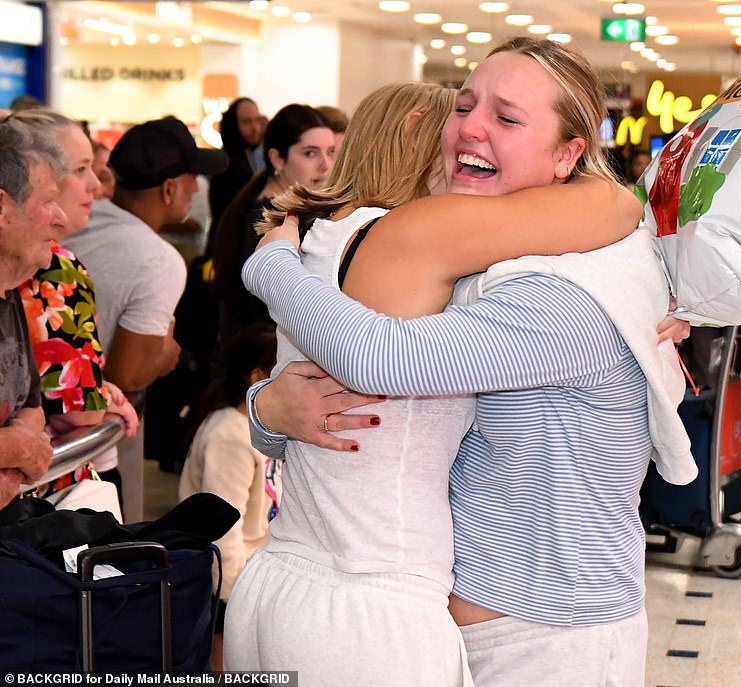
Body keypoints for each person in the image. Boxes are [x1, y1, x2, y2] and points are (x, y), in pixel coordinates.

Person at [236, 39, 695, 686]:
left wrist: (270, 267)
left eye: (507, 119)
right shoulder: (477, 263)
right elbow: (374, 422)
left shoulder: (565, 297)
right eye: (465, 106)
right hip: (427, 615)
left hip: (548, 638)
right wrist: (269, 409)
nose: (471, 129)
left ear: (569, 155)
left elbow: (377, 360)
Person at [62, 116, 227, 499]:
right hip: (87, 449)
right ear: (169, 189)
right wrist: (167, 351)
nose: (195, 188)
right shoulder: (158, 260)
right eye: (191, 177)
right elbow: (128, 374)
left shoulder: (81, 220)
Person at [14, 110, 139, 447]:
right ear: (42, 177)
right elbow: (78, 412)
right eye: (80, 169)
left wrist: (97, 389)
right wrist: (102, 400)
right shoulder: (56, 267)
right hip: (44, 483)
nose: (96, 185)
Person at [178, 322, 278, 671]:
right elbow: (224, 528)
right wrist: (236, 598)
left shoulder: (265, 430)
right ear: (257, 378)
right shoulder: (230, 435)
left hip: (257, 576)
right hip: (225, 586)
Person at [210, 104, 334, 368]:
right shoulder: (268, 218)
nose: (326, 165)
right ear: (277, 158)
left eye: (331, 152)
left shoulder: (276, 207)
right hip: (260, 367)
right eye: (310, 153)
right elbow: (275, 310)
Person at [0, 116, 66, 507]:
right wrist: (11, 449)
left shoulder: (10, 292)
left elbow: (30, 408)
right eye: (47, 202)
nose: (61, 218)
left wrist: (17, 449)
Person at [208, 97, 265, 232]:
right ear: (233, 124)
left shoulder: (249, 155)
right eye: (246, 122)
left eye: (257, 120)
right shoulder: (226, 162)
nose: (255, 128)